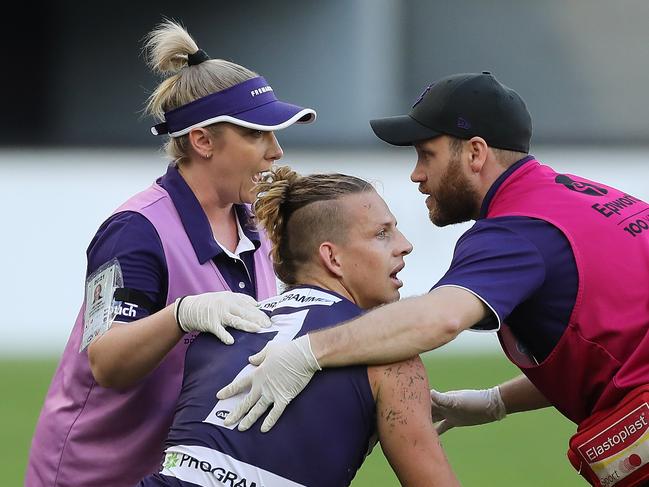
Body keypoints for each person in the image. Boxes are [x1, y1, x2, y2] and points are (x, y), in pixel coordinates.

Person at [218, 72, 649, 457]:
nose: (416, 174)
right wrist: (497, 401)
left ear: (475, 153)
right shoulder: (586, 198)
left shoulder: (517, 229)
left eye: (427, 154)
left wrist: (308, 352)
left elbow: (439, 318)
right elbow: (610, 343)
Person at [26, 20, 315, 486]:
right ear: (202, 141)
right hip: (94, 475)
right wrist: (181, 314)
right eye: (257, 135)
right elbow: (106, 361)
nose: (276, 151)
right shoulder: (134, 231)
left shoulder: (255, 224)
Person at [138, 166, 460, 487]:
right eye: (382, 233)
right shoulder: (389, 354)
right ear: (332, 258)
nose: (404, 245)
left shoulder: (216, 333)